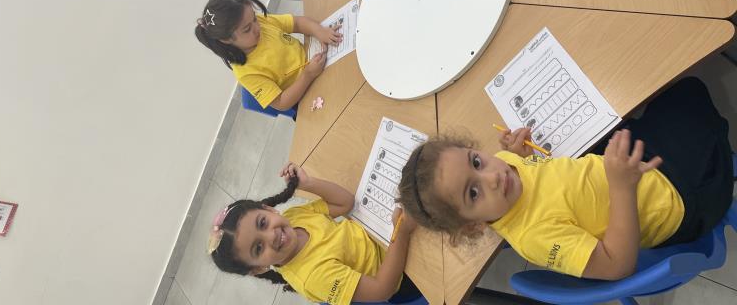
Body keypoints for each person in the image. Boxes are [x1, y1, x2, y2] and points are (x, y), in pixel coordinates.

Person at [398, 77, 734, 280]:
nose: (493, 177)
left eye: (476, 161)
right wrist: (621, 187)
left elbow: (542, 181)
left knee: (674, 94)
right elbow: (617, 266)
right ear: (473, 226)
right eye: (473, 193)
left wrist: (520, 153)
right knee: (693, 92)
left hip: (629, 173)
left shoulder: (504, 166)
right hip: (678, 202)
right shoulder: (536, 238)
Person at [208, 162, 421, 304]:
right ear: (258, 269)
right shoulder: (313, 278)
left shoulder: (293, 217)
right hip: (406, 276)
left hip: (383, 235)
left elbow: (345, 203)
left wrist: (308, 184)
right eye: (258, 248)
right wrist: (401, 234)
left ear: (269, 210)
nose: (271, 236)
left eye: (262, 223)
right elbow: (382, 289)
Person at [195, 0, 341, 111]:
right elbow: (281, 103)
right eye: (247, 29)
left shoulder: (258, 23)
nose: (257, 27)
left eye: (254, 19)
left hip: (314, 60)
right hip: (304, 93)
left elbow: (296, 23)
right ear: (226, 39)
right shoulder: (246, 73)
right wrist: (308, 74)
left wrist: (319, 31)